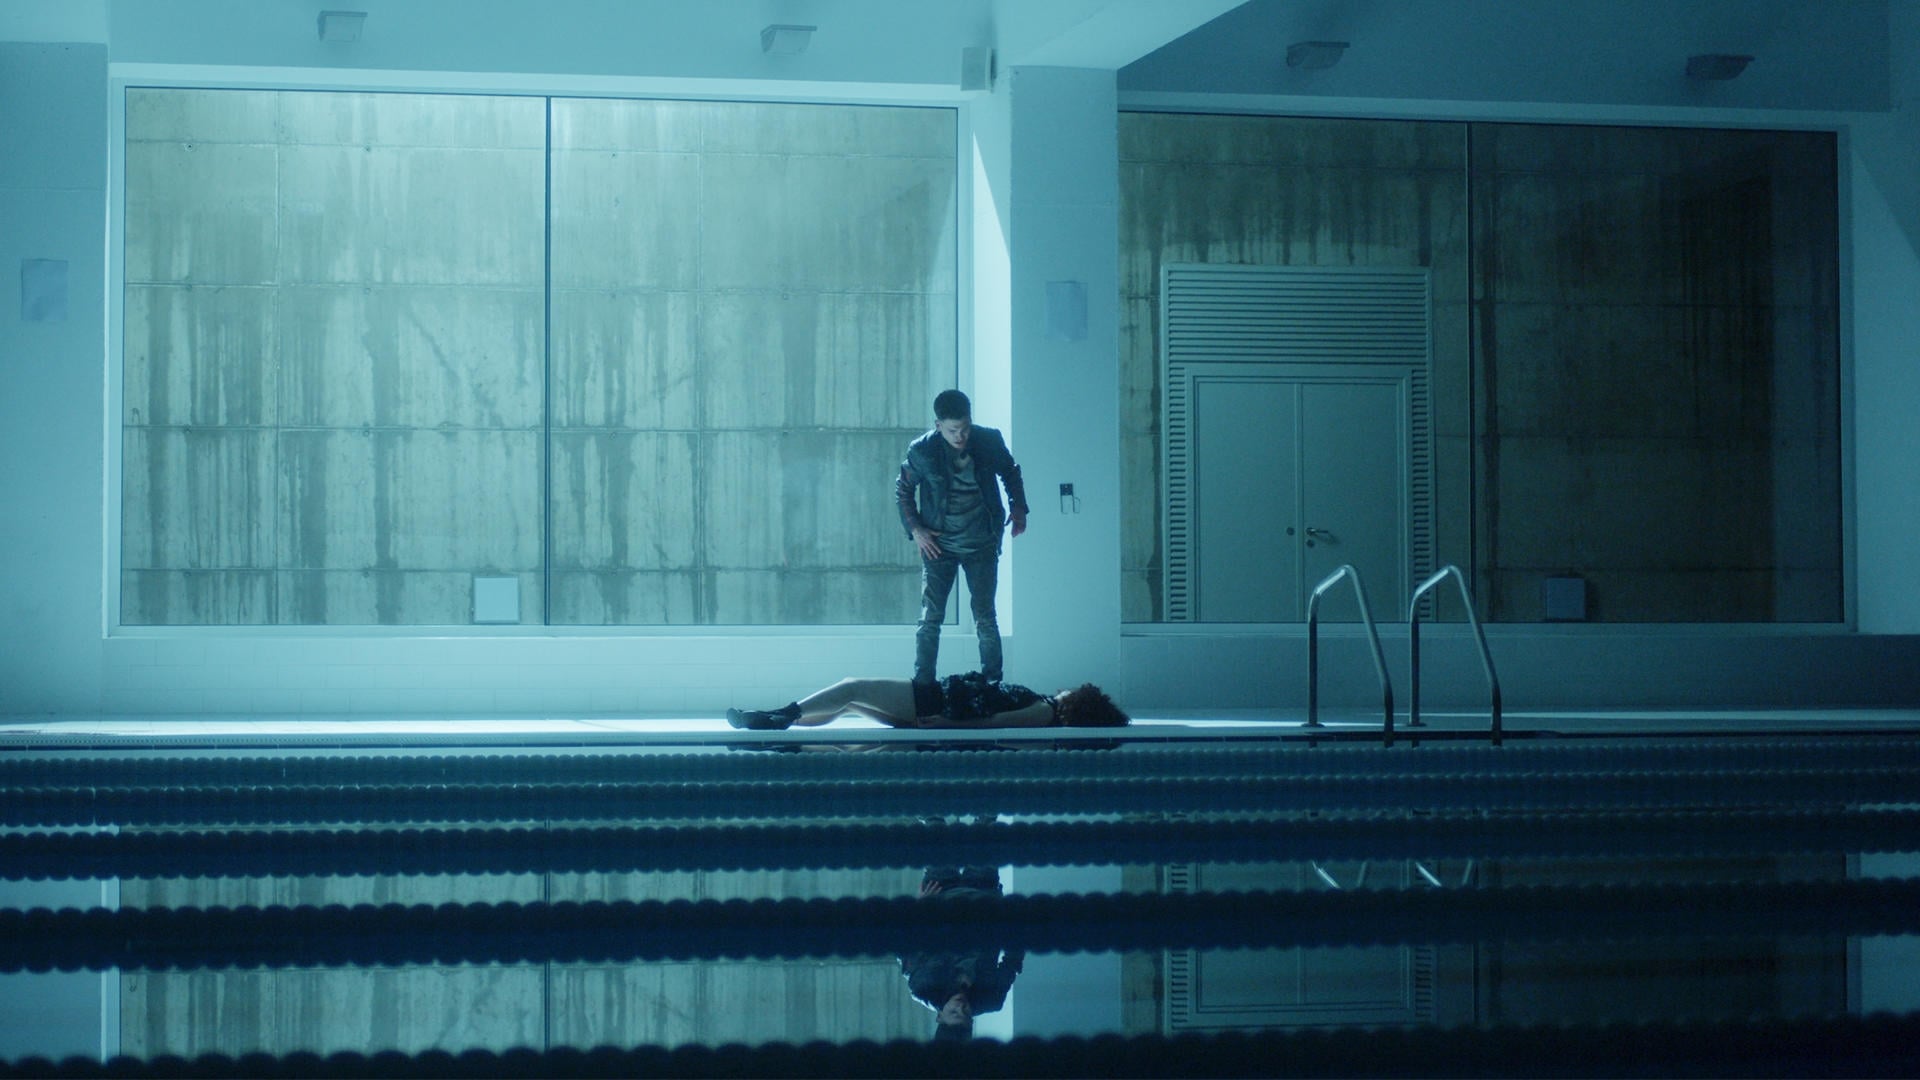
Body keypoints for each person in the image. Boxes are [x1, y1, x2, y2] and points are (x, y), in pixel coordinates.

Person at [897, 390, 1028, 686]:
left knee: (985, 617)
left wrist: (1019, 507)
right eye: (953, 430)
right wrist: (916, 529)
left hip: (982, 541)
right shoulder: (922, 450)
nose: (960, 436)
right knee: (931, 618)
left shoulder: (988, 441)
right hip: (938, 546)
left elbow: (1010, 472)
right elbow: (903, 490)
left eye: (965, 428)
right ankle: (923, 686)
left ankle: (993, 685)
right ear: (938, 425)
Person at [726, 671, 1128, 730]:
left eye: (1075, 691)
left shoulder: (1044, 711)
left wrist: (947, 724)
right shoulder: (1044, 710)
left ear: (1077, 702)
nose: (1067, 688)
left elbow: (994, 724)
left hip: (931, 702)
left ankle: (782, 715)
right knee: (848, 704)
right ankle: (778, 725)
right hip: (936, 706)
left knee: (851, 687)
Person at [900, 866, 1023, 1041]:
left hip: (940, 896)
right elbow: (1013, 960)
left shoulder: (922, 987)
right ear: (971, 1021)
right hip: (983, 897)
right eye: (965, 1013)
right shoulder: (992, 997)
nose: (961, 1006)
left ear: (939, 1016)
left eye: (953, 1012)